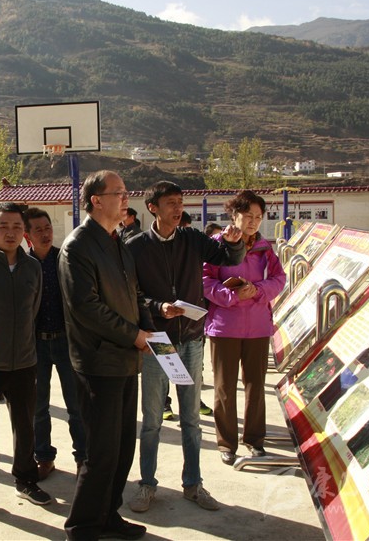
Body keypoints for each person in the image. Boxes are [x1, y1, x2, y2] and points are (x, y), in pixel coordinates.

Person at [126, 181, 245, 514]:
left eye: (180, 202)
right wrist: (157, 307)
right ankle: (147, 485)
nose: (178, 208)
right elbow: (131, 295)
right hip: (159, 342)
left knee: (191, 419)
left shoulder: (192, 239)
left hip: (191, 338)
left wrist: (234, 243)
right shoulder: (136, 247)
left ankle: (193, 484)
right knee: (152, 420)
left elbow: (227, 259)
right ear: (153, 207)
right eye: (170, 203)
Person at [59, 170, 155, 541]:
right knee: (101, 452)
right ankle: (82, 527)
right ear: (96, 200)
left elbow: (135, 294)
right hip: (99, 363)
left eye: (126, 192)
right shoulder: (78, 246)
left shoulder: (118, 242)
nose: (126, 198)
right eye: (119, 192)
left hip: (127, 361)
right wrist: (134, 335)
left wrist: (150, 331)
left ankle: (108, 515)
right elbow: (87, 307)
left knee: (122, 449)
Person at [0, 203, 52, 517]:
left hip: (24, 361)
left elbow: (32, 311)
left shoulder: (33, 267)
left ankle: (26, 480)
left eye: (17, 227)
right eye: (3, 226)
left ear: (25, 232)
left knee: (25, 426)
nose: (11, 233)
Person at [203, 190, 286, 465]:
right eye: (248, 215)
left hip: (258, 327)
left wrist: (258, 290)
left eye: (258, 217)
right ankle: (226, 443)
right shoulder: (216, 246)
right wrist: (231, 295)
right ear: (234, 215)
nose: (253, 221)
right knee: (224, 388)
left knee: (256, 386)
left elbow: (279, 278)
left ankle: (255, 440)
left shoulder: (265, 248)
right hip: (224, 326)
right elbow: (204, 280)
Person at [25, 207, 86, 481]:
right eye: (37, 230)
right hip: (35, 345)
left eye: (47, 228)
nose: (44, 234)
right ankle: (44, 457)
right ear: (28, 235)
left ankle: (83, 457)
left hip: (65, 342)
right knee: (39, 407)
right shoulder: (23, 265)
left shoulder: (65, 259)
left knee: (76, 405)